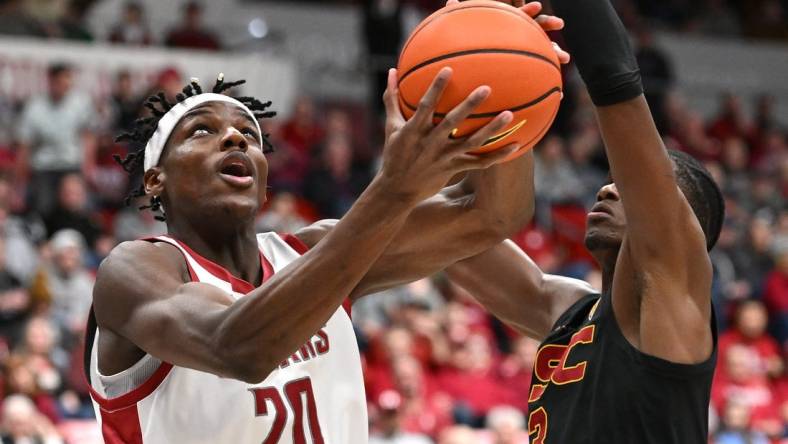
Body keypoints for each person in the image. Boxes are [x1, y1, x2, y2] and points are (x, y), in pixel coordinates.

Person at [83, 16, 567, 438]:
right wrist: (392, 190)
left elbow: (491, 215)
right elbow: (239, 348)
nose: (235, 136)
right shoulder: (134, 271)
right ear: (154, 181)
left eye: (250, 135)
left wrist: (506, 83)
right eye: (202, 131)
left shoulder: (315, 250)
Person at [447, 0, 726, 441]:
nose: (610, 188)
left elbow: (614, 81)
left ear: (686, 228)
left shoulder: (675, 297)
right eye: (613, 180)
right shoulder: (567, 313)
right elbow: (454, 236)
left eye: (632, 189)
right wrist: (495, 72)